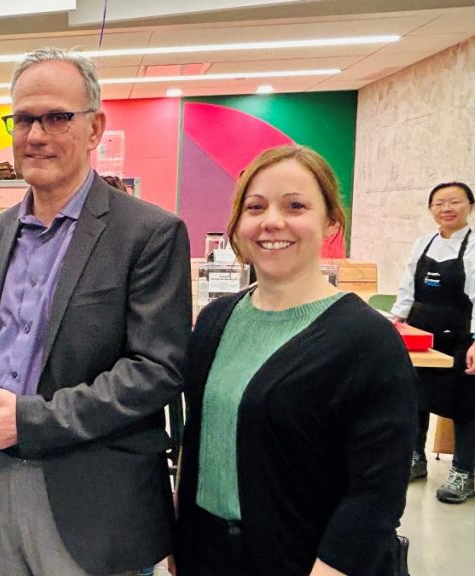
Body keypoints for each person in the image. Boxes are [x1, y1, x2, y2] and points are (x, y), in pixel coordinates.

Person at [0, 48, 191, 576]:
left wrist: (27, 420)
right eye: (24, 118)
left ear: (95, 127)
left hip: (95, 500)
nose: (35, 134)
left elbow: (155, 371)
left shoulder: (148, 233)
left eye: (57, 117)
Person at [174, 145, 416, 576]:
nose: (271, 221)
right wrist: (181, 538)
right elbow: (200, 440)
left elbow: (376, 493)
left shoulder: (366, 340)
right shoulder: (214, 322)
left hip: (305, 559)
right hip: (208, 553)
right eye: (255, 206)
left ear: (330, 224)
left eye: (295, 206)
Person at [391, 181, 475, 503]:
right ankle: (415, 459)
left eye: (455, 202)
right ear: (431, 209)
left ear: (470, 206)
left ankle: (464, 472)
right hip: (422, 331)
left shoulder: (472, 245)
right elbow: (406, 287)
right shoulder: (422, 243)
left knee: (465, 403)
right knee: (415, 396)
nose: (447, 208)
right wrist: (397, 321)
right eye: (439, 203)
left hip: (462, 335)